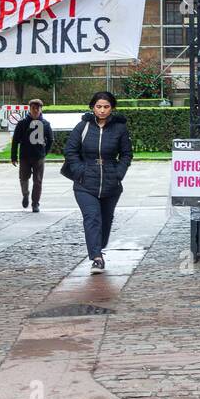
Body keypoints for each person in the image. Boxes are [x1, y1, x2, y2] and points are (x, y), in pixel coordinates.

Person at [63, 91, 133, 273]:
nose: (102, 110)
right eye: (98, 106)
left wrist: (119, 173)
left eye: (106, 107)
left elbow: (126, 154)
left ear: (112, 108)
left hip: (111, 182)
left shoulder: (120, 128)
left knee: (106, 220)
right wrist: (80, 171)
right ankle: (96, 257)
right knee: (92, 218)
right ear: (92, 107)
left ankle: (98, 246)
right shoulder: (83, 126)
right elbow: (70, 150)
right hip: (85, 183)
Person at [10, 98, 53, 213]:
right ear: (30, 109)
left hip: (39, 156)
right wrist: (13, 156)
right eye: (33, 108)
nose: (35, 110)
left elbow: (50, 140)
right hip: (25, 156)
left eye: (38, 108)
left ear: (41, 109)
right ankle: (25, 195)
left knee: (38, 181)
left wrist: (45, 152)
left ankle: (35, 203)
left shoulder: (45, 124)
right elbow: (15, 140)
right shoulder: (22, 123)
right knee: (23, 178)